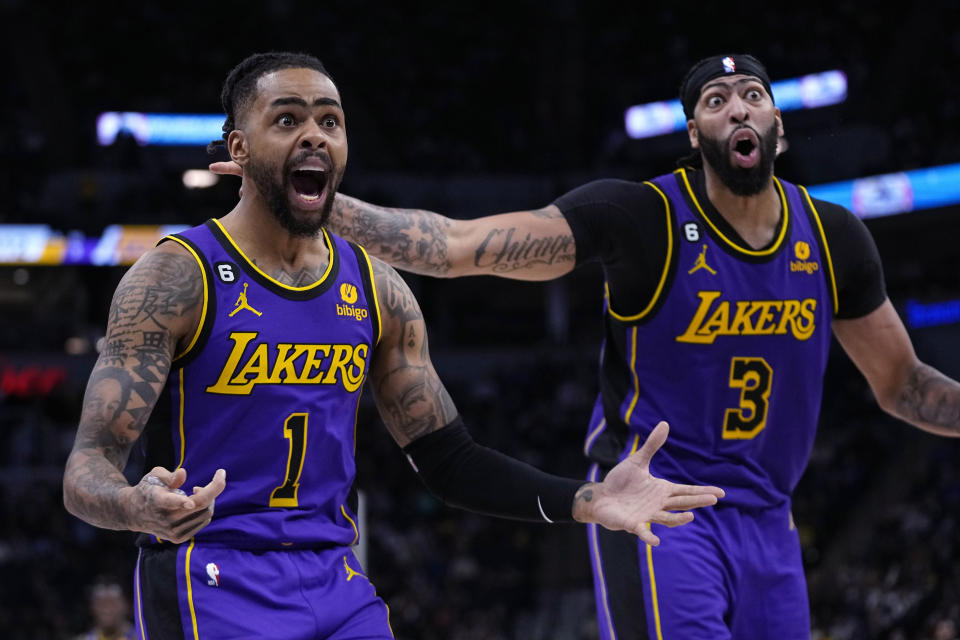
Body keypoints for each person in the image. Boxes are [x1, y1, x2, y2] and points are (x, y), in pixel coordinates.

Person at [213, 52, 960, 639]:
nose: (739, 106)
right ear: (694, 134)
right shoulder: (640, 217)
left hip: (771, 518)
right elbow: (455, 246)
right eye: (716, 100)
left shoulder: (834, 237)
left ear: (778, 128)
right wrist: (306, 192)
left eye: (754, 96)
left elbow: (902, 385)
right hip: (658, 507)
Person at [63, 51, 725, 640]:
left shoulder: (378, 288)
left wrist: (586, 500)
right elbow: (86, 468)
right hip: (211, 576)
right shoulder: (177, 275)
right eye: (288, 119)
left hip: (335, 581)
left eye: (330, 120)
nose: (315, 134)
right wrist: (132, 506)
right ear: (238, 148)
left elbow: (450, 460)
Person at [72, 576, 137, 640]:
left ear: (126, 605)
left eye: (112, 602)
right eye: (101, 603)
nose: (106, 608)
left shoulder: (142, 636)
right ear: (92, 607)